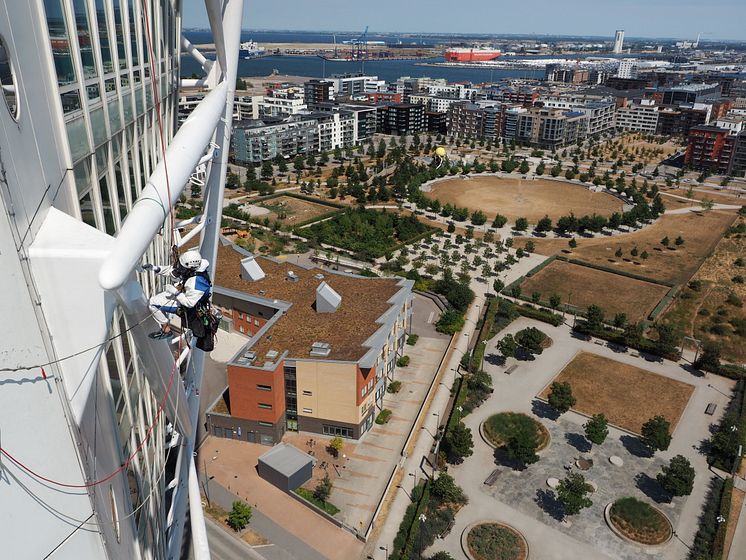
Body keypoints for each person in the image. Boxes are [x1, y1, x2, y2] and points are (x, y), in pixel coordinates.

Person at [144, 249, 211, 339]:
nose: (179, 268)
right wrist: (154, 268)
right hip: (184, 294)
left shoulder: (197, 283)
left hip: (189, 307)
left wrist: (175, 292)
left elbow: (190, 303)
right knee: (157, 299)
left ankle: (166, 330)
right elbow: (173, 271)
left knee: (152, 303)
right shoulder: (193, 268)